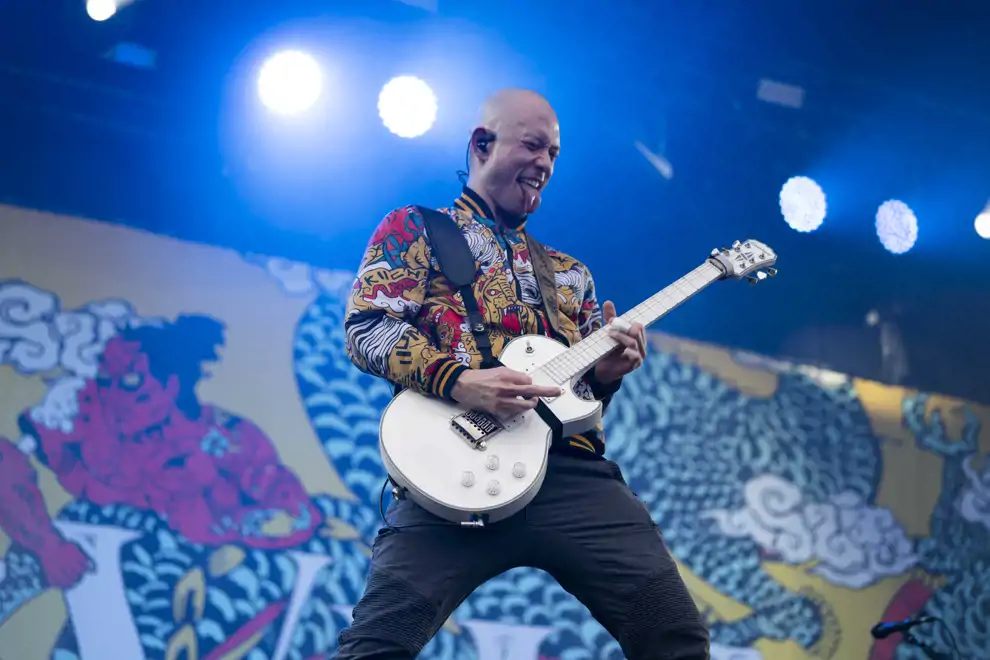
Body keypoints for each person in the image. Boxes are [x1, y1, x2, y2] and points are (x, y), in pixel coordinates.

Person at [337, 89, 710, 659]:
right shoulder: (414, 228)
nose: (546, 164)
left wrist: (607, 375)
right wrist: (461, 381)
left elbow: (579, 398)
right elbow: (367, 327)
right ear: (482, 144)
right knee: (375, 647)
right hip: (449, 470)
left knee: (675, 638)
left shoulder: (572, 275)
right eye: (533, 145)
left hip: (570, 475)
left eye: (554, 154)